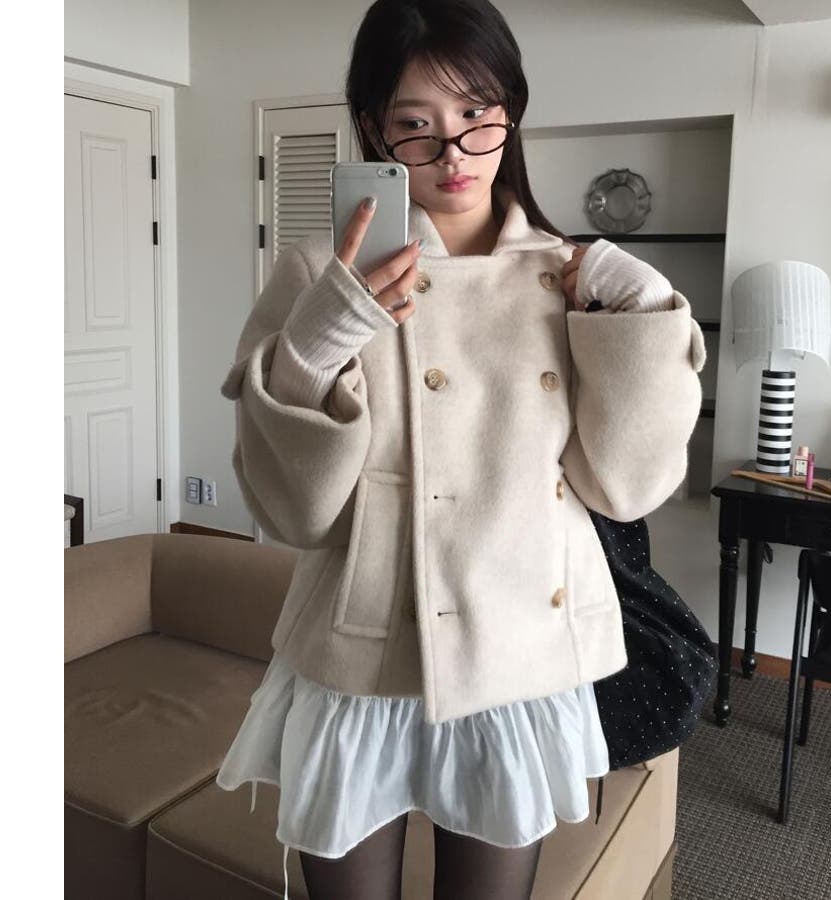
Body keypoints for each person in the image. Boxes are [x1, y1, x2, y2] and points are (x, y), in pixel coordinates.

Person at [215, 1, 705, 898]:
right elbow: (293, 514)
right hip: (362, 656)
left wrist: (643, 318)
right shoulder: (319, 275)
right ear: (374, 130)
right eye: (417, 125)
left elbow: (623, 488)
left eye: (477, 115)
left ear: (510, 112)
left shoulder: (569, 275)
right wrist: (316, 347)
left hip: (519, 656)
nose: (453, 155)